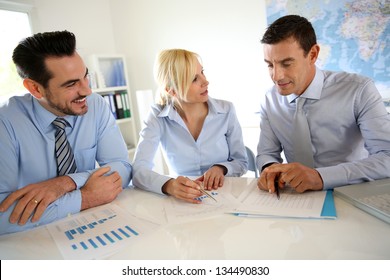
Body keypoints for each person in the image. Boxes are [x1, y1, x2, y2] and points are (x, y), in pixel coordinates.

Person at [0, 31, 132, 235]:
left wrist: (64, 183)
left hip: (95, 228)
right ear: (35, 88)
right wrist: (85, 197)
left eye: (85, 76)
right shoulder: (5, 123)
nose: (87, 90)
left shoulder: (95, 105)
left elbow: (122, 167)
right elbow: (2, 215)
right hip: (35, 239)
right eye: (71, 84)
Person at [256, 15, 390, 195]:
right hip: (295, 201)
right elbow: (266, 153)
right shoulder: (269, 99)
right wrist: (270, 170)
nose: (276, 76)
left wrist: (320, 177)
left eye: (286, 63)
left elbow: (386, 157)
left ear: (312, 55)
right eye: (270, 65)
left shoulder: (359, 90)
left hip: (351, 194)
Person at [132, 49, 248, 203]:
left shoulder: (226, 110)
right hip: (183, 200)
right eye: (194, 79)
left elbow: (241, 162)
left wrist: (221, 168)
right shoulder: (157, 116)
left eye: (202, 72)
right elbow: (138, 170)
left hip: (226, 196)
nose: (205, 81)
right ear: (171, 91)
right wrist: (169, 185)